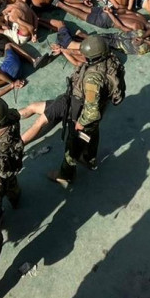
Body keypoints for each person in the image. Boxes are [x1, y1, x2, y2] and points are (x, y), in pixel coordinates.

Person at [49, 34, 125, 189]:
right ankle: (89, 159)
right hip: (100, 107)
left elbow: (92, 112)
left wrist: (80, 123)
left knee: (74, 143)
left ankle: (65, 174)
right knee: (92, 133)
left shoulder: (92, 79)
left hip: (84, 113)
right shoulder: (110, 60)